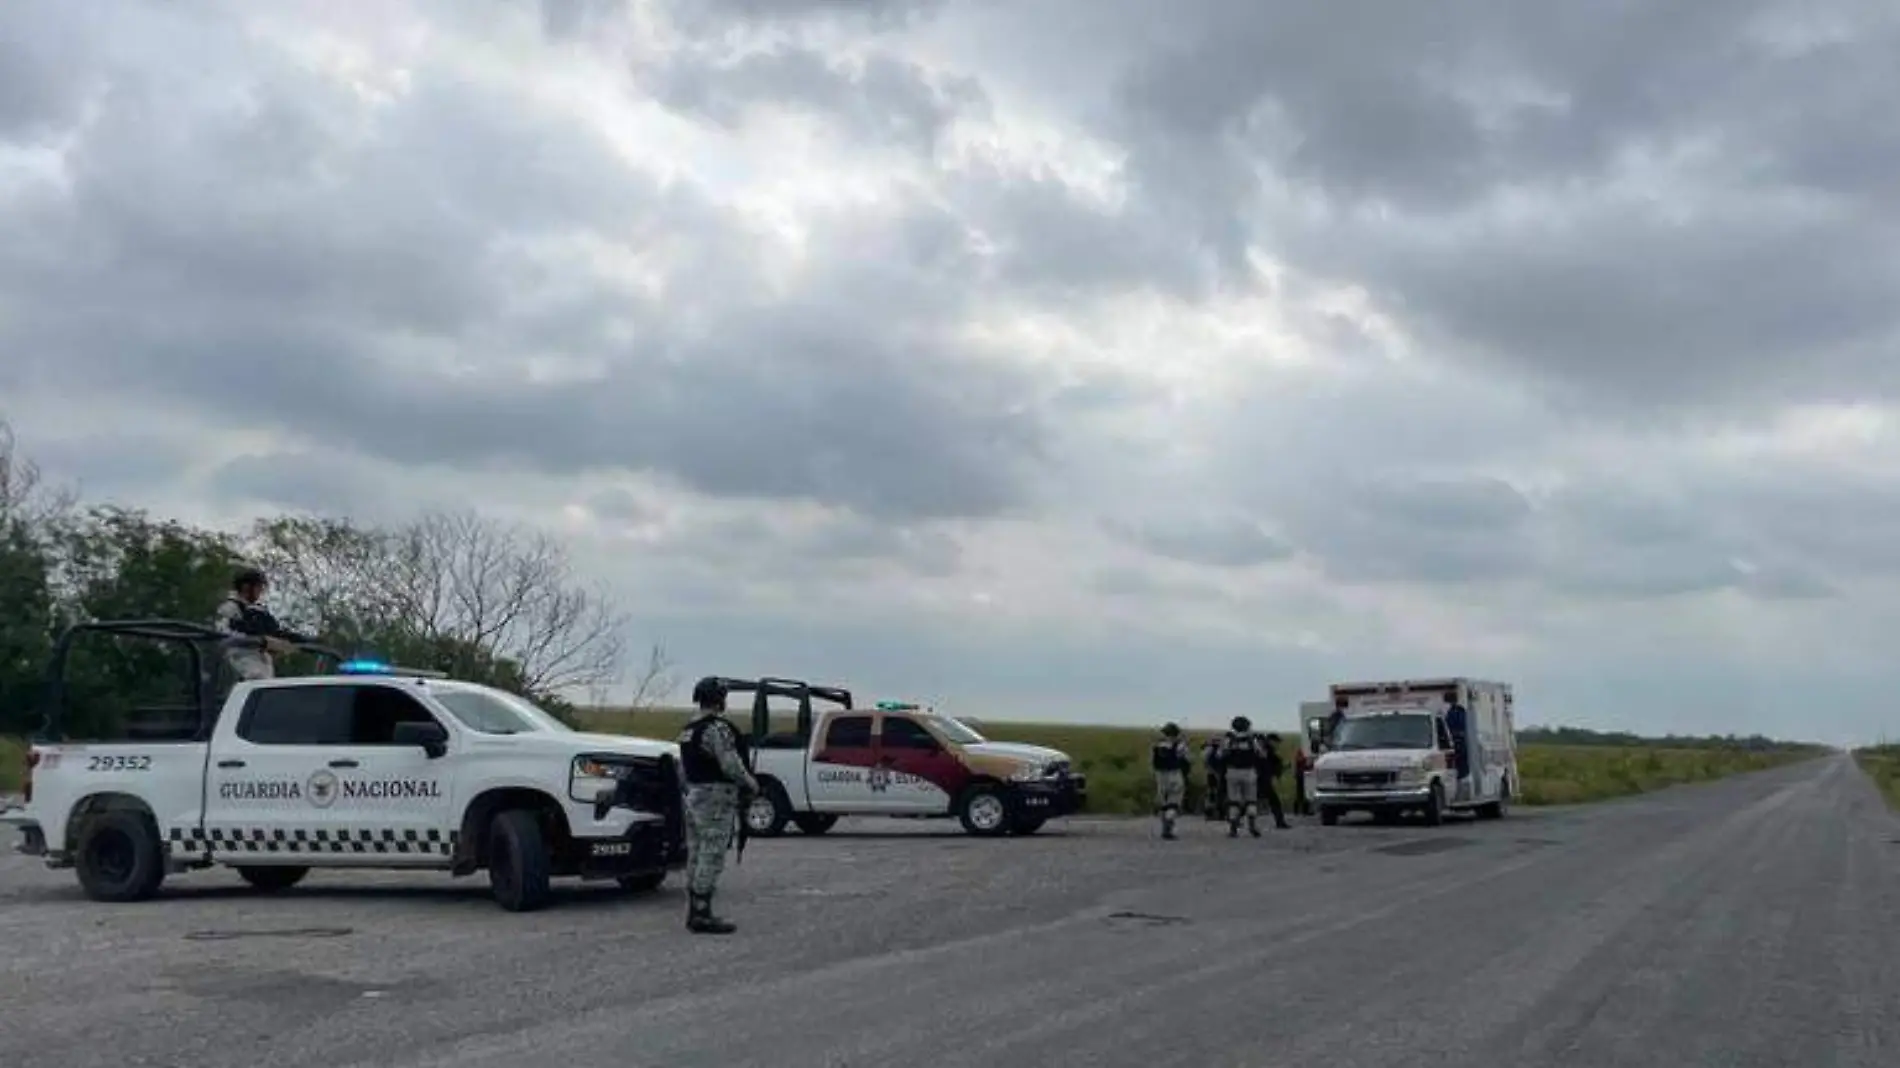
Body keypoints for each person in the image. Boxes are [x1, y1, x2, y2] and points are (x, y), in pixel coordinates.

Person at [676, 676, 760, 935]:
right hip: (715, 797)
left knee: (696, 852)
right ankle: (702, 912)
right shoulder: (717, 729)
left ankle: (695, 909)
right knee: (712, 853)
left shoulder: (688, 729)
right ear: (719, 699)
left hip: (693, 795)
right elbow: (730, 764)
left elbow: (683, 768)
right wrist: (751, 784)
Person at [212, 567, 313, 681]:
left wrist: (300, 641)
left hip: (259, 658)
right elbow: (225, 636)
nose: (260, 591)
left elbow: (274, 631)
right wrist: (260, 639)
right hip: (239, 659)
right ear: (246, 587)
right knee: (257, 680)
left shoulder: (258, 610)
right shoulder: (229, 608)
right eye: (258, 587)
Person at [1218, 715, 1270, 838]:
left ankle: (1233, 829)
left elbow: (1220, 754)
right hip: (1249, 771)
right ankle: (1252, 826)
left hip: (1232, 771)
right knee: (1251, 800)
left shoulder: (1229, 739)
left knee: (1234, 801)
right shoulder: (1252, 739)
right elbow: (1262, 754)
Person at [1150, 722, 1191, 839]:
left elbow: (1152, 761)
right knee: (1174, 802)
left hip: (1160, 776)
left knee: (1163, 802)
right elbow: (1187, 758)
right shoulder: (1179, 744)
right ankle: (1169, 822)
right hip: (1174, 774)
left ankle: (1165, 828)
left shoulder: (1157, 744)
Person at [1259, 732, 1292, 829]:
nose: (1278, 745)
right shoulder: (1268, 751)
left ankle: (1234, 823)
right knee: (1274, 802)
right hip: (1262, 780)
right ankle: (1280, 822)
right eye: (1276, 742)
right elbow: (1271, 766)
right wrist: (1283, 767)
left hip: (1260, 779)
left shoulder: (1264, 750)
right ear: (1271, 741)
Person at [1200, 734, 1226, 821]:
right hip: (1215, 773)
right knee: (1215, 794)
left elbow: (1205, 761)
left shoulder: (1209, 749)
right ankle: (1215, 813)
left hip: (1213, 773)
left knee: (1214, 794)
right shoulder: (1216, 749)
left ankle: (1214, 813)